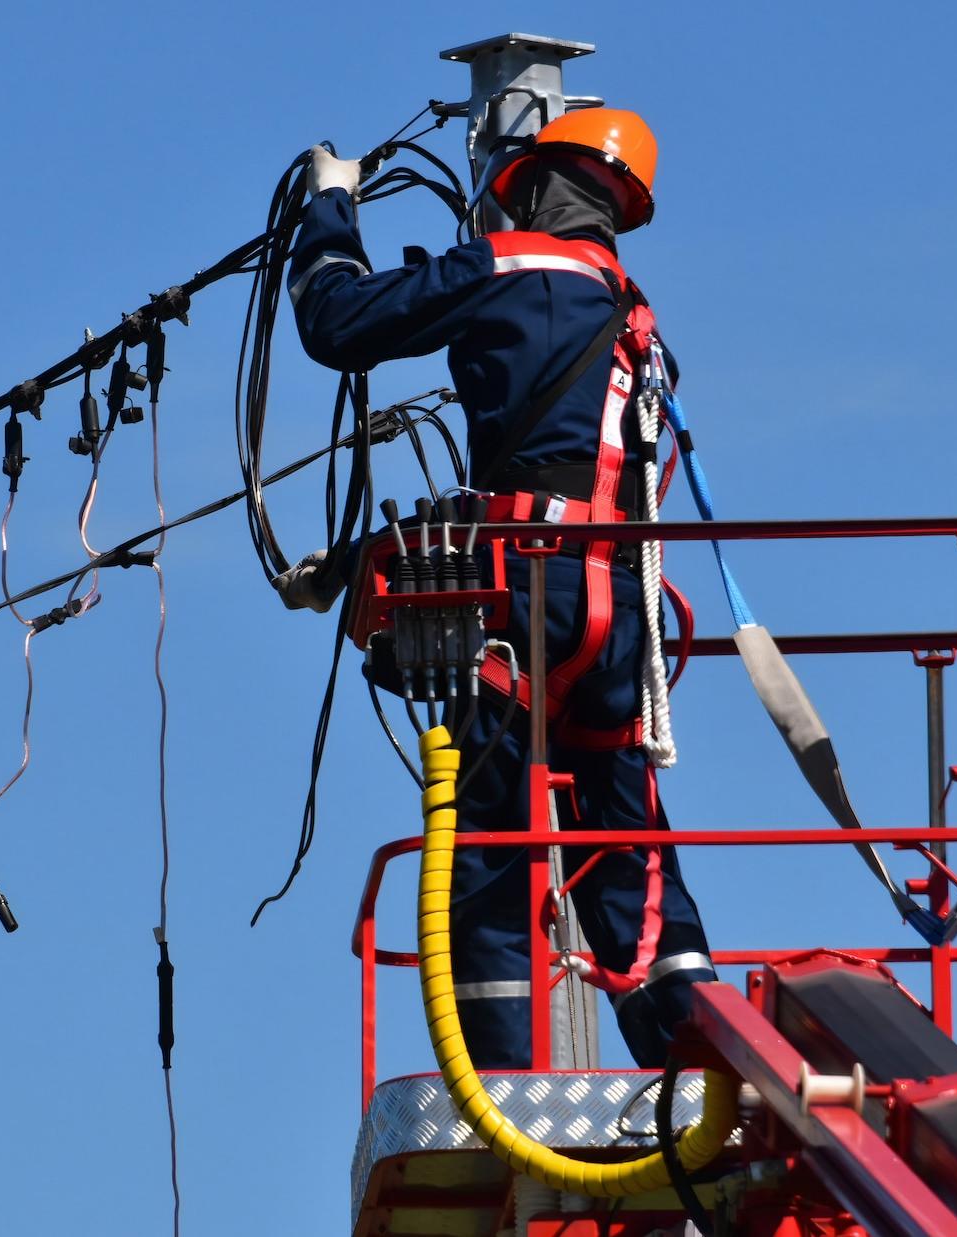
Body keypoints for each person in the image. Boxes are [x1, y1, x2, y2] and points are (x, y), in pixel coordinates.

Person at [278, 109, 715, 1069]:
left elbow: (337, 321)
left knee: (492, 851)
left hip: (523, 601)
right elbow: (573, 475)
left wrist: (330, 204)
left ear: (524, 186)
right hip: (616, 618)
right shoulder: (635, 315)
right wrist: (354, 566)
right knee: (628, 850)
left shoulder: (505, 268)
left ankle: (510, 1086)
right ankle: (702, 1056)